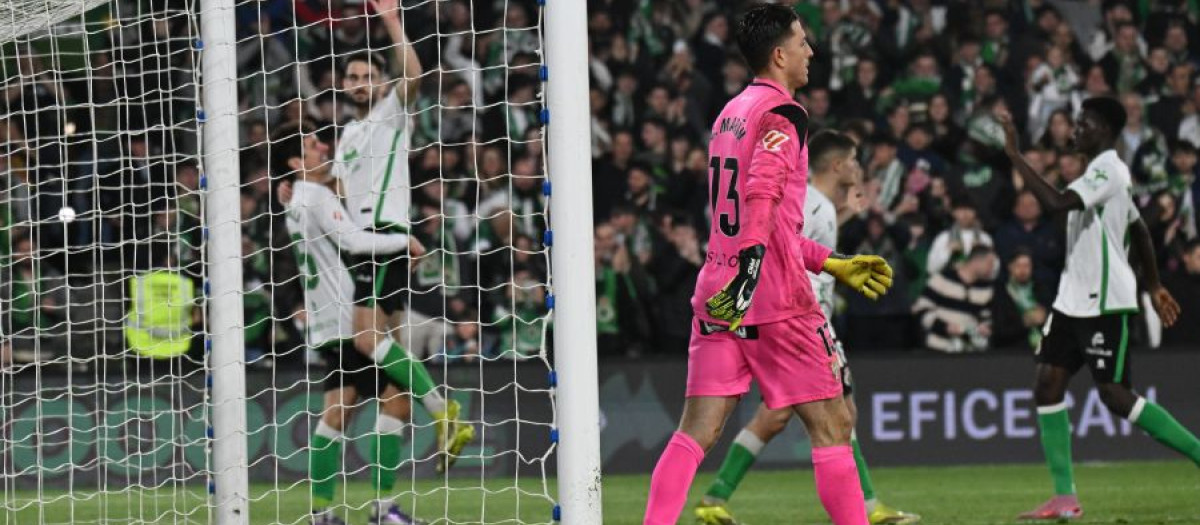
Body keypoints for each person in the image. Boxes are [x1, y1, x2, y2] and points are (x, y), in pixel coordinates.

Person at [642, 6, 892, 525]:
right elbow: (761, 194)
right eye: (803, 42)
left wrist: (830, 262)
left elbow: (764, 225)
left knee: (695, 433)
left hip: (718, 289)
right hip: (773, 297)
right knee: (833, 425)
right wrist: (754, 269)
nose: (811, 51)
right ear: (779, 54)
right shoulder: (786, 114)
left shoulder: (729, 114)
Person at [695, 131, 920, 524]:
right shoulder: (817, 206)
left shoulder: (814, 204)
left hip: (790, 317)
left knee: (786, 413)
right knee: (836, 413)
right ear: (836, 166)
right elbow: (790, 256)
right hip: (802, 319)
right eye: (852, 159)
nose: (857, 167)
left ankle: (715, 498)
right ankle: (865, 509)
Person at [999, 98, 1200, 520]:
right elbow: (1139, 228)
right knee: (1047, 386)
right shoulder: (1096, 173)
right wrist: (1154, 283)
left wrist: (1015, 154)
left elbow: (1055, 205)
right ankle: (1064, 497)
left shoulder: (1109, 169)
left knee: (1114, 394)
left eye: (1083, 123)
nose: (1075, 129)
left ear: (1105, 130)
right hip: (1072, 300)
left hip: (1104, 301)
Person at [332, 0, 473, 472]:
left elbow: (413, 74)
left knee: (367, 341)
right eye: (350, 78)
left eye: (365, 76)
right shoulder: (347, 135)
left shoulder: (391, 114)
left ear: (381, 83)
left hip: (383, 233)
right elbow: (337, 194)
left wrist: (391, 21)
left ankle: (444, 413)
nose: (357, 84)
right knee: (391, 381)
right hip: (362, 244)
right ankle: (384, 509)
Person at [274, 122, 427, 525]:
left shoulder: (295, 200)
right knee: (397, 398)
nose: (322, 147)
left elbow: (333, 174)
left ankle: (322, 514)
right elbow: (354, 242)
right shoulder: (314, 197)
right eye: (311, 144)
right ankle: (384, 511)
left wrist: (290, 185)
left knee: (338, 411)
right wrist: (404, 240)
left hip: (327, 323)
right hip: (348, 320)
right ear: (295, 161)